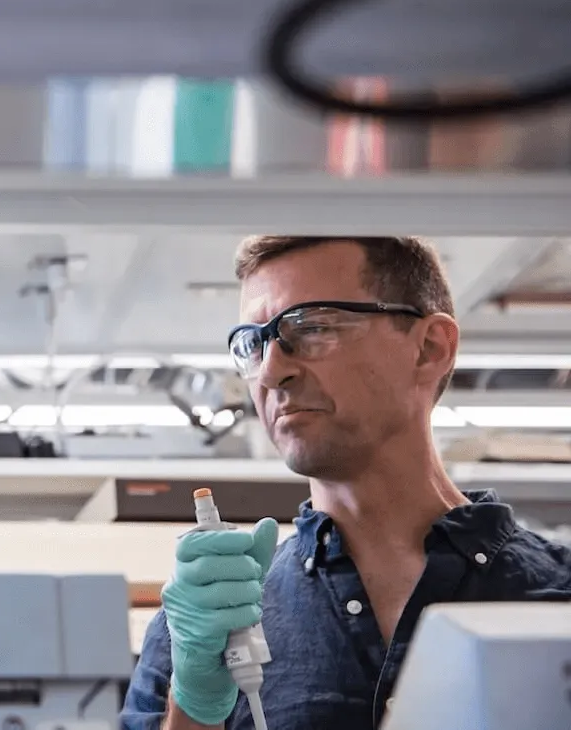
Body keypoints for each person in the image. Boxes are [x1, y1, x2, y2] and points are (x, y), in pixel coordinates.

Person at [121, 236, 571, 730]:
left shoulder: (558, 595)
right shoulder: (208, 626)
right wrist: (194, 710)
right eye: (254, 343)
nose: (272, 371)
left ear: (429, 348)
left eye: (312, 327)